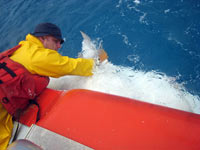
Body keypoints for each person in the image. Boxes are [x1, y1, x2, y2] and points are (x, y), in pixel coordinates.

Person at [0, 22, 108, 150]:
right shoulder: (39, 56)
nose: (58, 46)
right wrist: (98, 61)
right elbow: (71, 66)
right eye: (55, 41)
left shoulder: (22, 47)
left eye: (60, 43)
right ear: (43, 38)